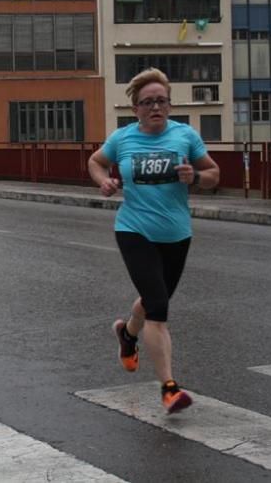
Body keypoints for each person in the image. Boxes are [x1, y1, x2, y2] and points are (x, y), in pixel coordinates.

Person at [87, 68, 220, 414]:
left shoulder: (185, 136)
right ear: (136, 109)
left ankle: (127, 335)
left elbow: (214, 175)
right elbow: (96, 162)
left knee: (150, 300)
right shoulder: (123, 138)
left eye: (161, 101)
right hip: (134, 230)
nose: (155, 108)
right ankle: (169, 388)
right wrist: (104, 181)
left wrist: (195, 177)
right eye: (147, 102)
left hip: (177, 233)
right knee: (158, 306)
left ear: (170, 105)